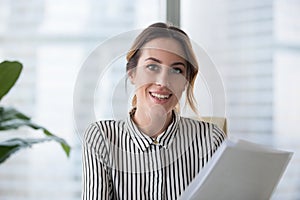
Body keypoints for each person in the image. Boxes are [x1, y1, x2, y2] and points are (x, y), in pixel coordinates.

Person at [82, 22, 226, 200]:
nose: (163, 82)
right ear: (132, 73)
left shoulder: (210, 140)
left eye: (176, 70)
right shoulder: (102, 137)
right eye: (152, 67)